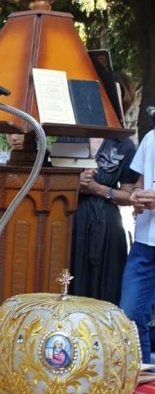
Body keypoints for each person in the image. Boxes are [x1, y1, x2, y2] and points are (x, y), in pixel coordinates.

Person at [69, 134, 137, 305]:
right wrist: (75, 183)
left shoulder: (124, 144)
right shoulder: (70, 136)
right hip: (71, 220)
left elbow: (129, 196)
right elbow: (51, 180)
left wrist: (98, 189)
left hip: (107, 225)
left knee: (107, 282)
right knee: (69, 277)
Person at [120, 128, 155, 364]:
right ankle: (142, 379)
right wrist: (136, 197)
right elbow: (138, 184)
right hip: (144, 242)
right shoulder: (151, 137)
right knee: (129, 313)